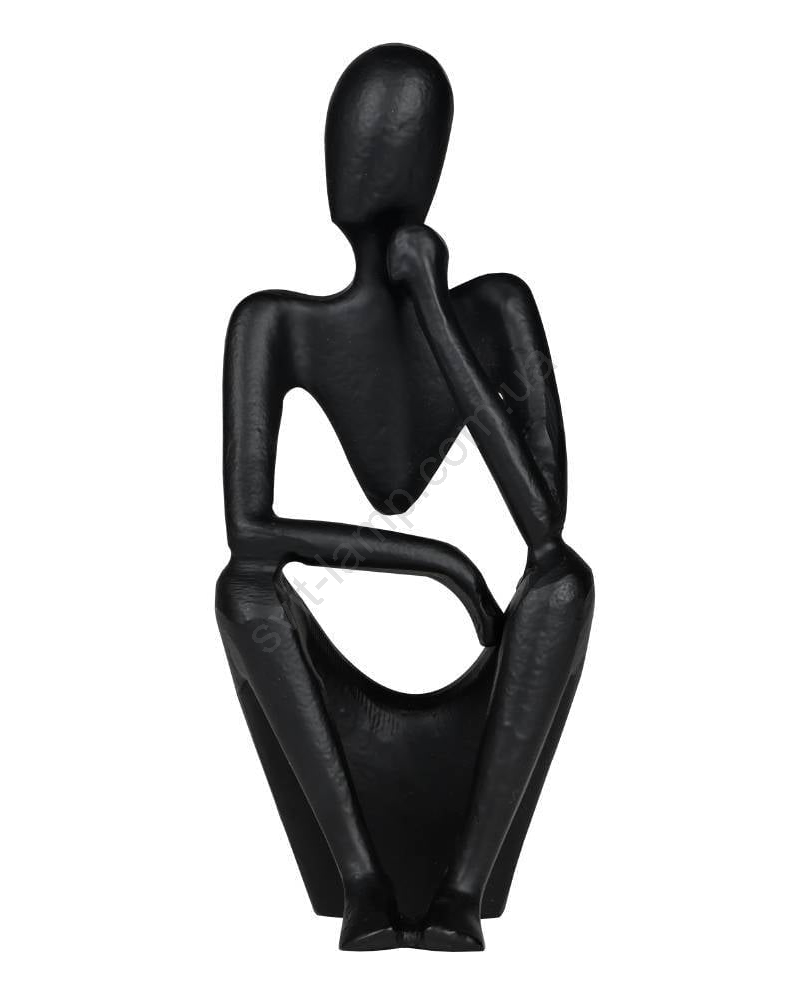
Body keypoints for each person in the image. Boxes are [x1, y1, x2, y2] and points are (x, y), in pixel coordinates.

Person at [216, 43, 593, 950]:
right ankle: (362, 881)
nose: (358, 158)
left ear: (428, 168)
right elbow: (250, 534)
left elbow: (545, 530)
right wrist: (444, 565)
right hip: (340, 690)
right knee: (241, 594)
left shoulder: (494, 308)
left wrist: (434, 310)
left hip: (493, 694)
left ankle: (463, 890)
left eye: (389, 137)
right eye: (348, 131)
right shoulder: (274, 323)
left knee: (569, 587)